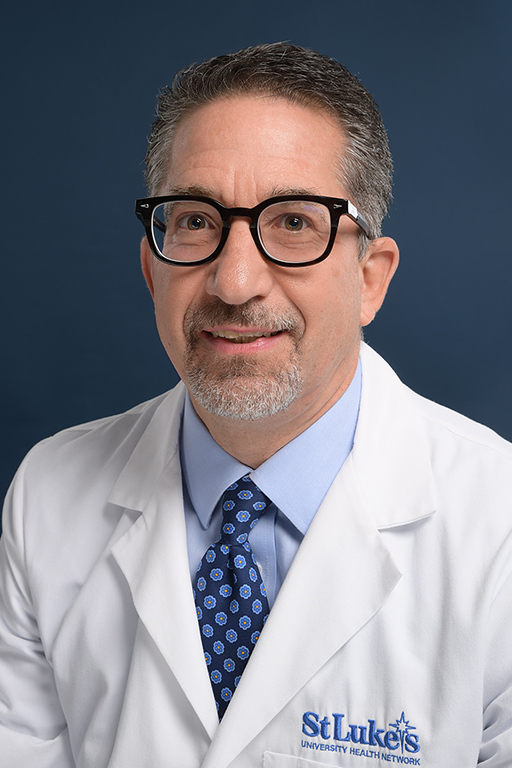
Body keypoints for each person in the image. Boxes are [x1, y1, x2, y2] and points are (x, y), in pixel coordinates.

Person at [0, 42, 511, 768]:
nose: (235, 282)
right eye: (196, 221)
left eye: (294, 223)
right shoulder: (47, 496)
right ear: (151, 271)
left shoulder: (498, 523)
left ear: (369, 279)